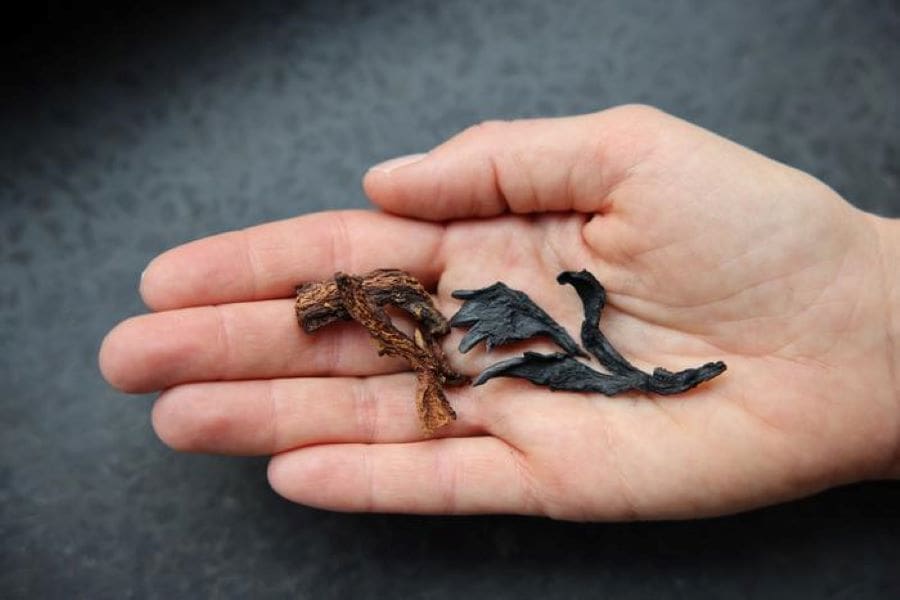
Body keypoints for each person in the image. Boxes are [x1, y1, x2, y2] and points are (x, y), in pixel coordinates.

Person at [99, 105, 899, 520]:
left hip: (521, 338)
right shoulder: (416, 319)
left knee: (565, 343)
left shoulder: (488, 330)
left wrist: (869, 308)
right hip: (466, 329)